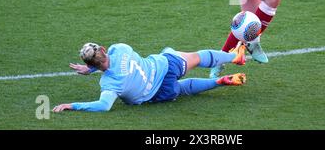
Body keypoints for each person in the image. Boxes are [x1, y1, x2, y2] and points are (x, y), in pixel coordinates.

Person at [52, 42, 246, 112]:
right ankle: (234, 57)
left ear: (89, 64)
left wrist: (73, 105)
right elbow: (109, 59)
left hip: (160, 93)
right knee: (195, 56)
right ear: (103, 49)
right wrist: (93, 68)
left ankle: (218, 82)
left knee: (183, 89)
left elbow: (103, 106)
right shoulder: (120, 48)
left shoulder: (109, 84)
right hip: (164, 66)